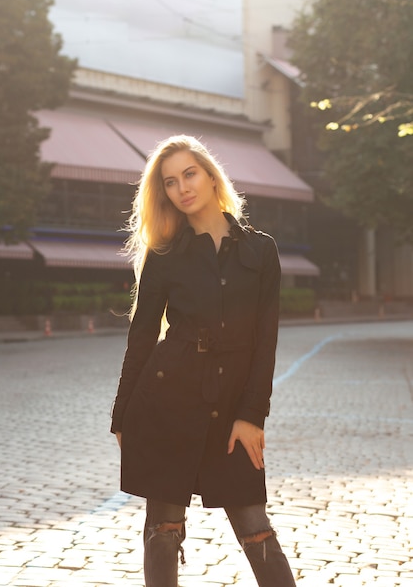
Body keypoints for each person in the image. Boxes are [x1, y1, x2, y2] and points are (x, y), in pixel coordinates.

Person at [111, 135, 296, 587]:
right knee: (162, 530)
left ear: (211, 176)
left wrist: (252, 415)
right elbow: (142, 335)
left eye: (189, 174)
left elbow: (264, 340)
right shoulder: (164, 252)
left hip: (233, 404)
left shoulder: (261, 250)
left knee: (255, 526)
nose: (182, 188)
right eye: (170, 182)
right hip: (167, 401)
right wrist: (122, 414)